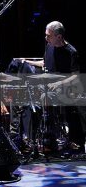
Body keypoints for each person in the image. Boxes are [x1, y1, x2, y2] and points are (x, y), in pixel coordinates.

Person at [22, 21, 82, 151]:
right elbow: (44, 63)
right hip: (49, 88)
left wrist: (59, 83)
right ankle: (32, 140)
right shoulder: (49, 47)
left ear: (59, 37)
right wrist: (27, 62)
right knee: (29, 100)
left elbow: (75, 76)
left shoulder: (71, 52)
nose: (46, 38)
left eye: (48, 36)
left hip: (66, 90)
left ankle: (57, 138)